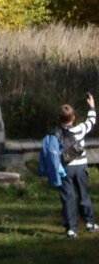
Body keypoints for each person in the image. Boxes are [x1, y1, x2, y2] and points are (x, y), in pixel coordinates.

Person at [57, 92, 96, 238]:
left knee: (68, 197)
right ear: (73, 117)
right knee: (83, 194)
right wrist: (91, 106)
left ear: (60, 119)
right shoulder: (80, 129)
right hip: (80, 167)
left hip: (65, 168)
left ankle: (71, 228)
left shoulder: (57, 133)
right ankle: (89, 222)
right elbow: (91, 121)